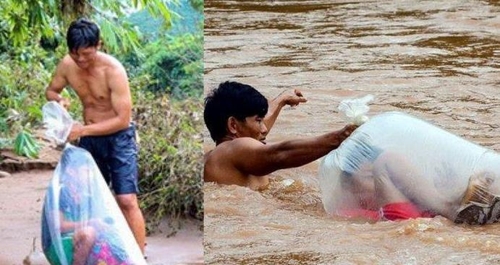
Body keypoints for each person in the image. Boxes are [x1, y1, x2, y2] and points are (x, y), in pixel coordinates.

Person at [45, 18, 145, 253]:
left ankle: (139, 255)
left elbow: (122, 119)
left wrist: (82, 130)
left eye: (86, 54)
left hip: (119, 139)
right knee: (90, 201)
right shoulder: (67, 65)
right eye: (75, 53)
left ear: (98, 44)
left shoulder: (113, 70)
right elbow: (51, 90)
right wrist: (59, 99)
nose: (81, 60)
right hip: (90, 140)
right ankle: (98, 251)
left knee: (127, 200)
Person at [203, 81, 358, 190]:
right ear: (233, 125)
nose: (264, 129)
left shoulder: (226, 153)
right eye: (258, 121)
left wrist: (281, 100)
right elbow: (280, 154)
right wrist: (341, 136)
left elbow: (258, 131)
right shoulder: (231, 150)